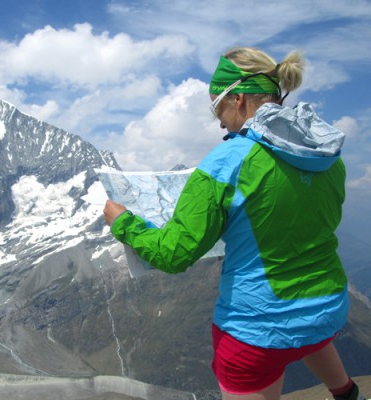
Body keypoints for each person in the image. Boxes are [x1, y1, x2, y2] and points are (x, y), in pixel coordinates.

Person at [103, 47, 368, 400]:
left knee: (280, 339)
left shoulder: (226, 162)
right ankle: (347, 394)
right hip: (327, 306)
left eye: (218, 108)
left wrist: (123, 223)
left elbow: (173, 254)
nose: (219, 122)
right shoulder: (327, 155)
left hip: (257, 330)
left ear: (239, 99)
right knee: (305, 333)